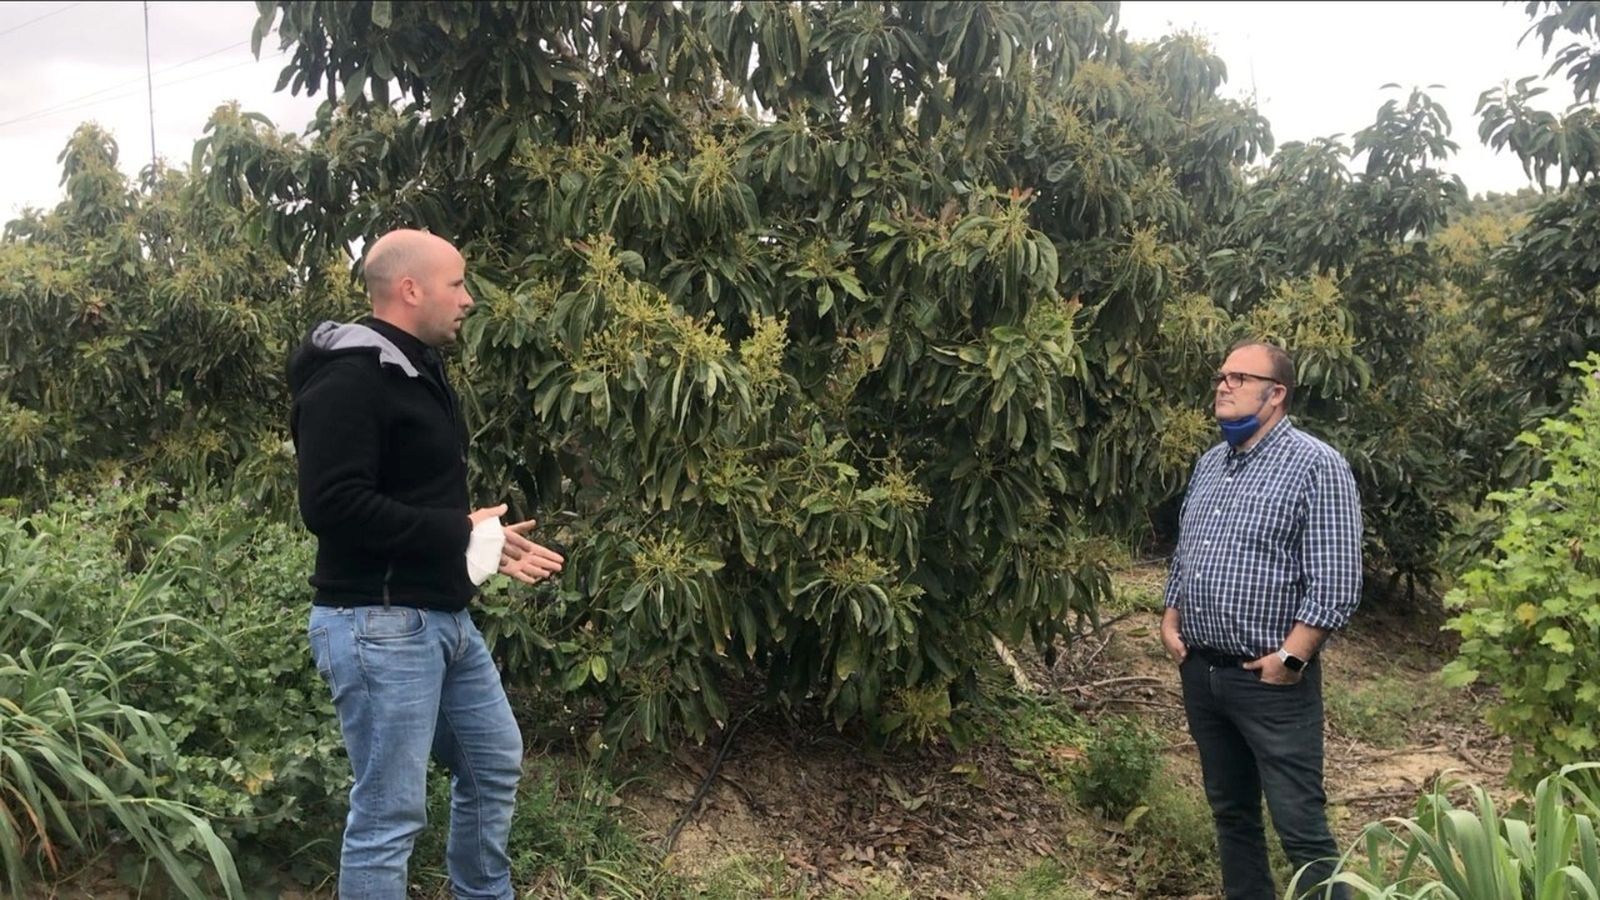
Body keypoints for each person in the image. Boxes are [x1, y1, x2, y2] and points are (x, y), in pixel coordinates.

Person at [288, 228, 566, 899]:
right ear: (410, 290)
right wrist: (455, 530)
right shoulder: (351, 379)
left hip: (437, 618)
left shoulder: (412, 370)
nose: (468, 298)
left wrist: (481, 543)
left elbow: (411, 504)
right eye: (457, 284)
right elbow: (333, 506)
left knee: (494, 762)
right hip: (377, 623)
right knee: (389, 814)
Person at [1160, 341, 1362, 900]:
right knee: (1232, 816)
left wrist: (1291, 658)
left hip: (1272, 682)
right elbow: (1189, 549)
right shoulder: (1210, 463)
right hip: (1203, 673)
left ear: (1276, 394)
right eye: (1222, 376)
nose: (1223, 385)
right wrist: (1172, 614)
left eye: (1239, 377)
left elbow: (1338, 580)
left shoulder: (1317, 465)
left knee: (1300, 828)